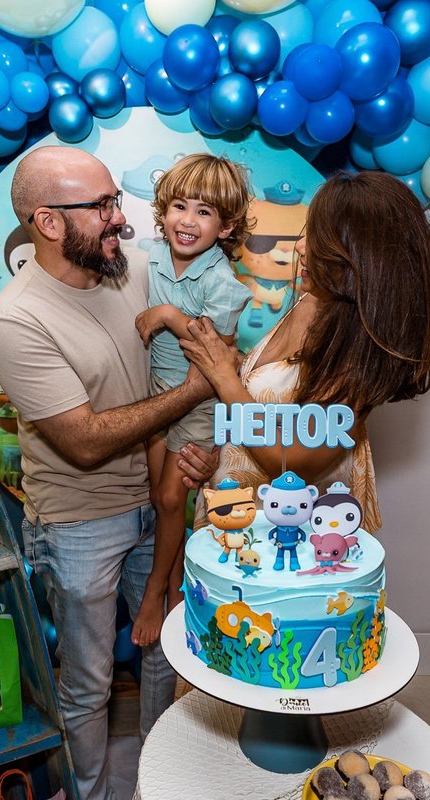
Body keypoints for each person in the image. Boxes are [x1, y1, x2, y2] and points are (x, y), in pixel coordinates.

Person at [0, 146, 220, 800]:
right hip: (78, 523)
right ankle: (91, 794)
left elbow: (216, 309)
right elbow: (85, 442)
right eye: (103, 206)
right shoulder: (16, 318)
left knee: (166, 656)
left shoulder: (132, 271)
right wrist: (197, 390)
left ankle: (157, 785)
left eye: (118, 200)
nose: (121, 219)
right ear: (49, 224)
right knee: (87, 683)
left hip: (160, 500)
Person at [180, 170, 430, 528]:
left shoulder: (359, 347)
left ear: (360, 254)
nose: (302, 246)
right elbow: (272, 410)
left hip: (298, 538)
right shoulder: (312, 298)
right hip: (238, 515)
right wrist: (221, 460)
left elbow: (293, 461)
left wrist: (223, 376)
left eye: (320, 237)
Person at [131, 154, 254, 647]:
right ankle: (176, 582)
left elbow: (213, 351)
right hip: (156, 392)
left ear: (225, 228)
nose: (188, 220)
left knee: (168, 497)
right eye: (179, 206)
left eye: (205, 212)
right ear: (162, 213)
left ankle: (158, 590)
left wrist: (166, 312)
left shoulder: (221, 283)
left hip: (197, 399)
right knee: (156, 498)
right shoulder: (150, 258)